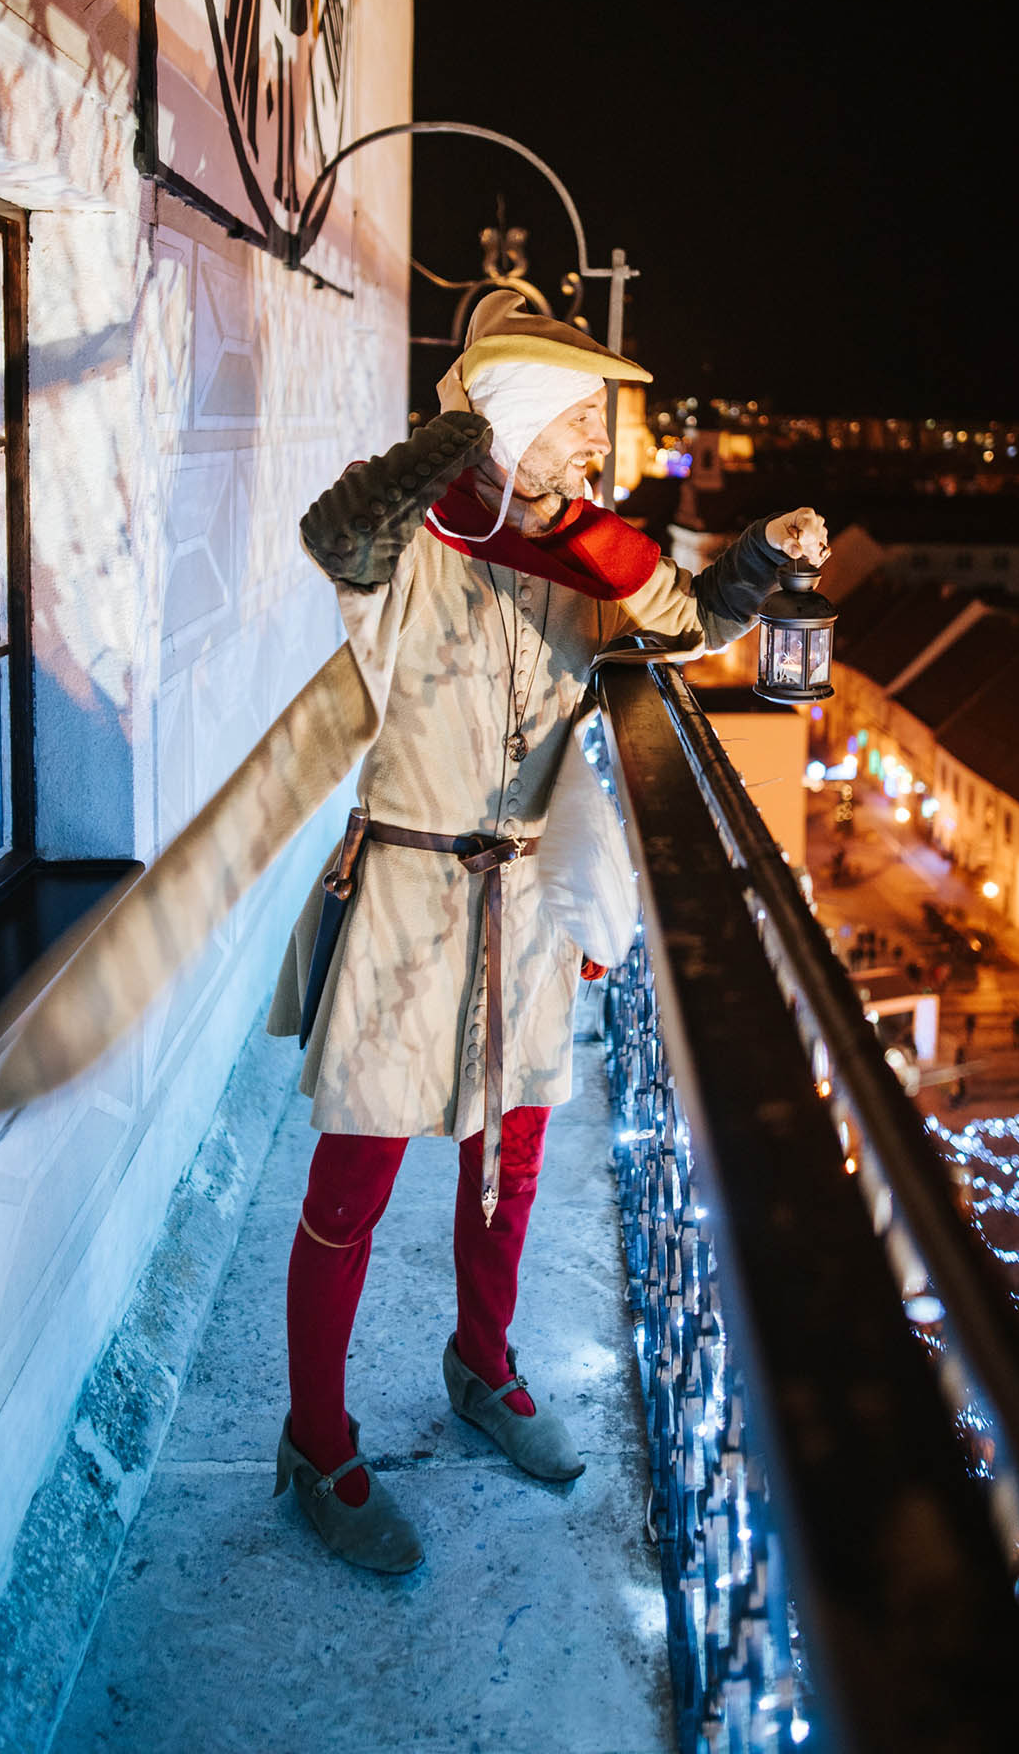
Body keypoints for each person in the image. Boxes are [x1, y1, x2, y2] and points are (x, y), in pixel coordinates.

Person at [264, 291, 831, 1572]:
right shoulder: (410, 541)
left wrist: (761, 553)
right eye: (579, 420)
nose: (598, 444)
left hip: (520, 901)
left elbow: (693, 623)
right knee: (351, 1185)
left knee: (510, 1161)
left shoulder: (583, 559)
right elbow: (332, 531)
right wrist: (454, 442)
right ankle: (314, 1437)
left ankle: (483, 1363)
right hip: (410, 888)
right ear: (512, 422)